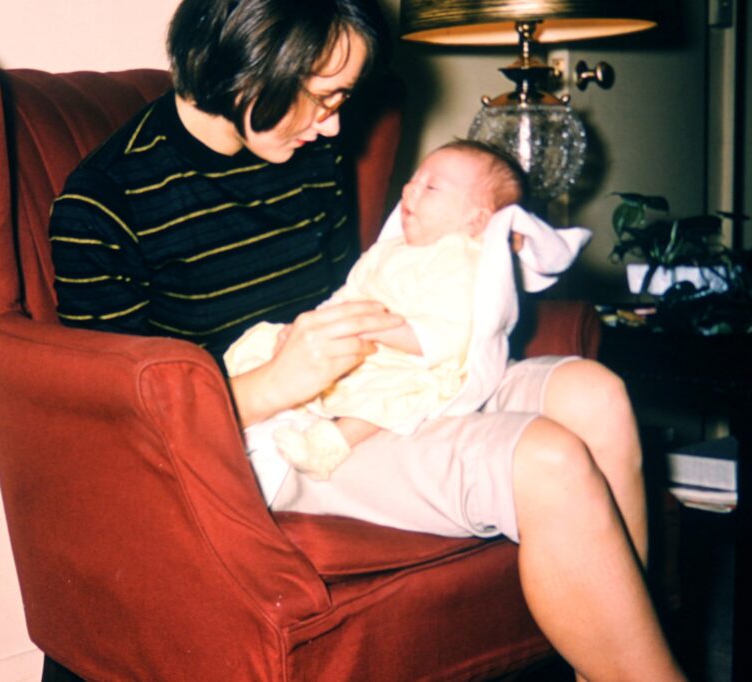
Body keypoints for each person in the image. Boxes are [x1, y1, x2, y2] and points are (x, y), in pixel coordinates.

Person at [49, 1, 686, 680]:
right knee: (548, 459)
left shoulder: (302, 148)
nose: (334, 126)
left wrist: (473, 271)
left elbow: (355, 288)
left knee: (595, 396)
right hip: (274, 437)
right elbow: (118, 434)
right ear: (250, 66)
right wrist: (270, 385)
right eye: (324, 97)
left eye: (342, 99)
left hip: (372, 377)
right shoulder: (104, 204)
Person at [223, 140, 588, 482]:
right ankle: (269, 410)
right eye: (413, 180)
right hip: (362, 346)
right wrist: (314, 326)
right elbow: (349, 293)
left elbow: (451, 335)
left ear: (476, 221)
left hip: (417, 363)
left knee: (392, 394)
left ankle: (329, 445)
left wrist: (377, 329)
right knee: (263, 339)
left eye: (431, 187)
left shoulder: (464, 261)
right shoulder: (386, 251)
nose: (410, 189)